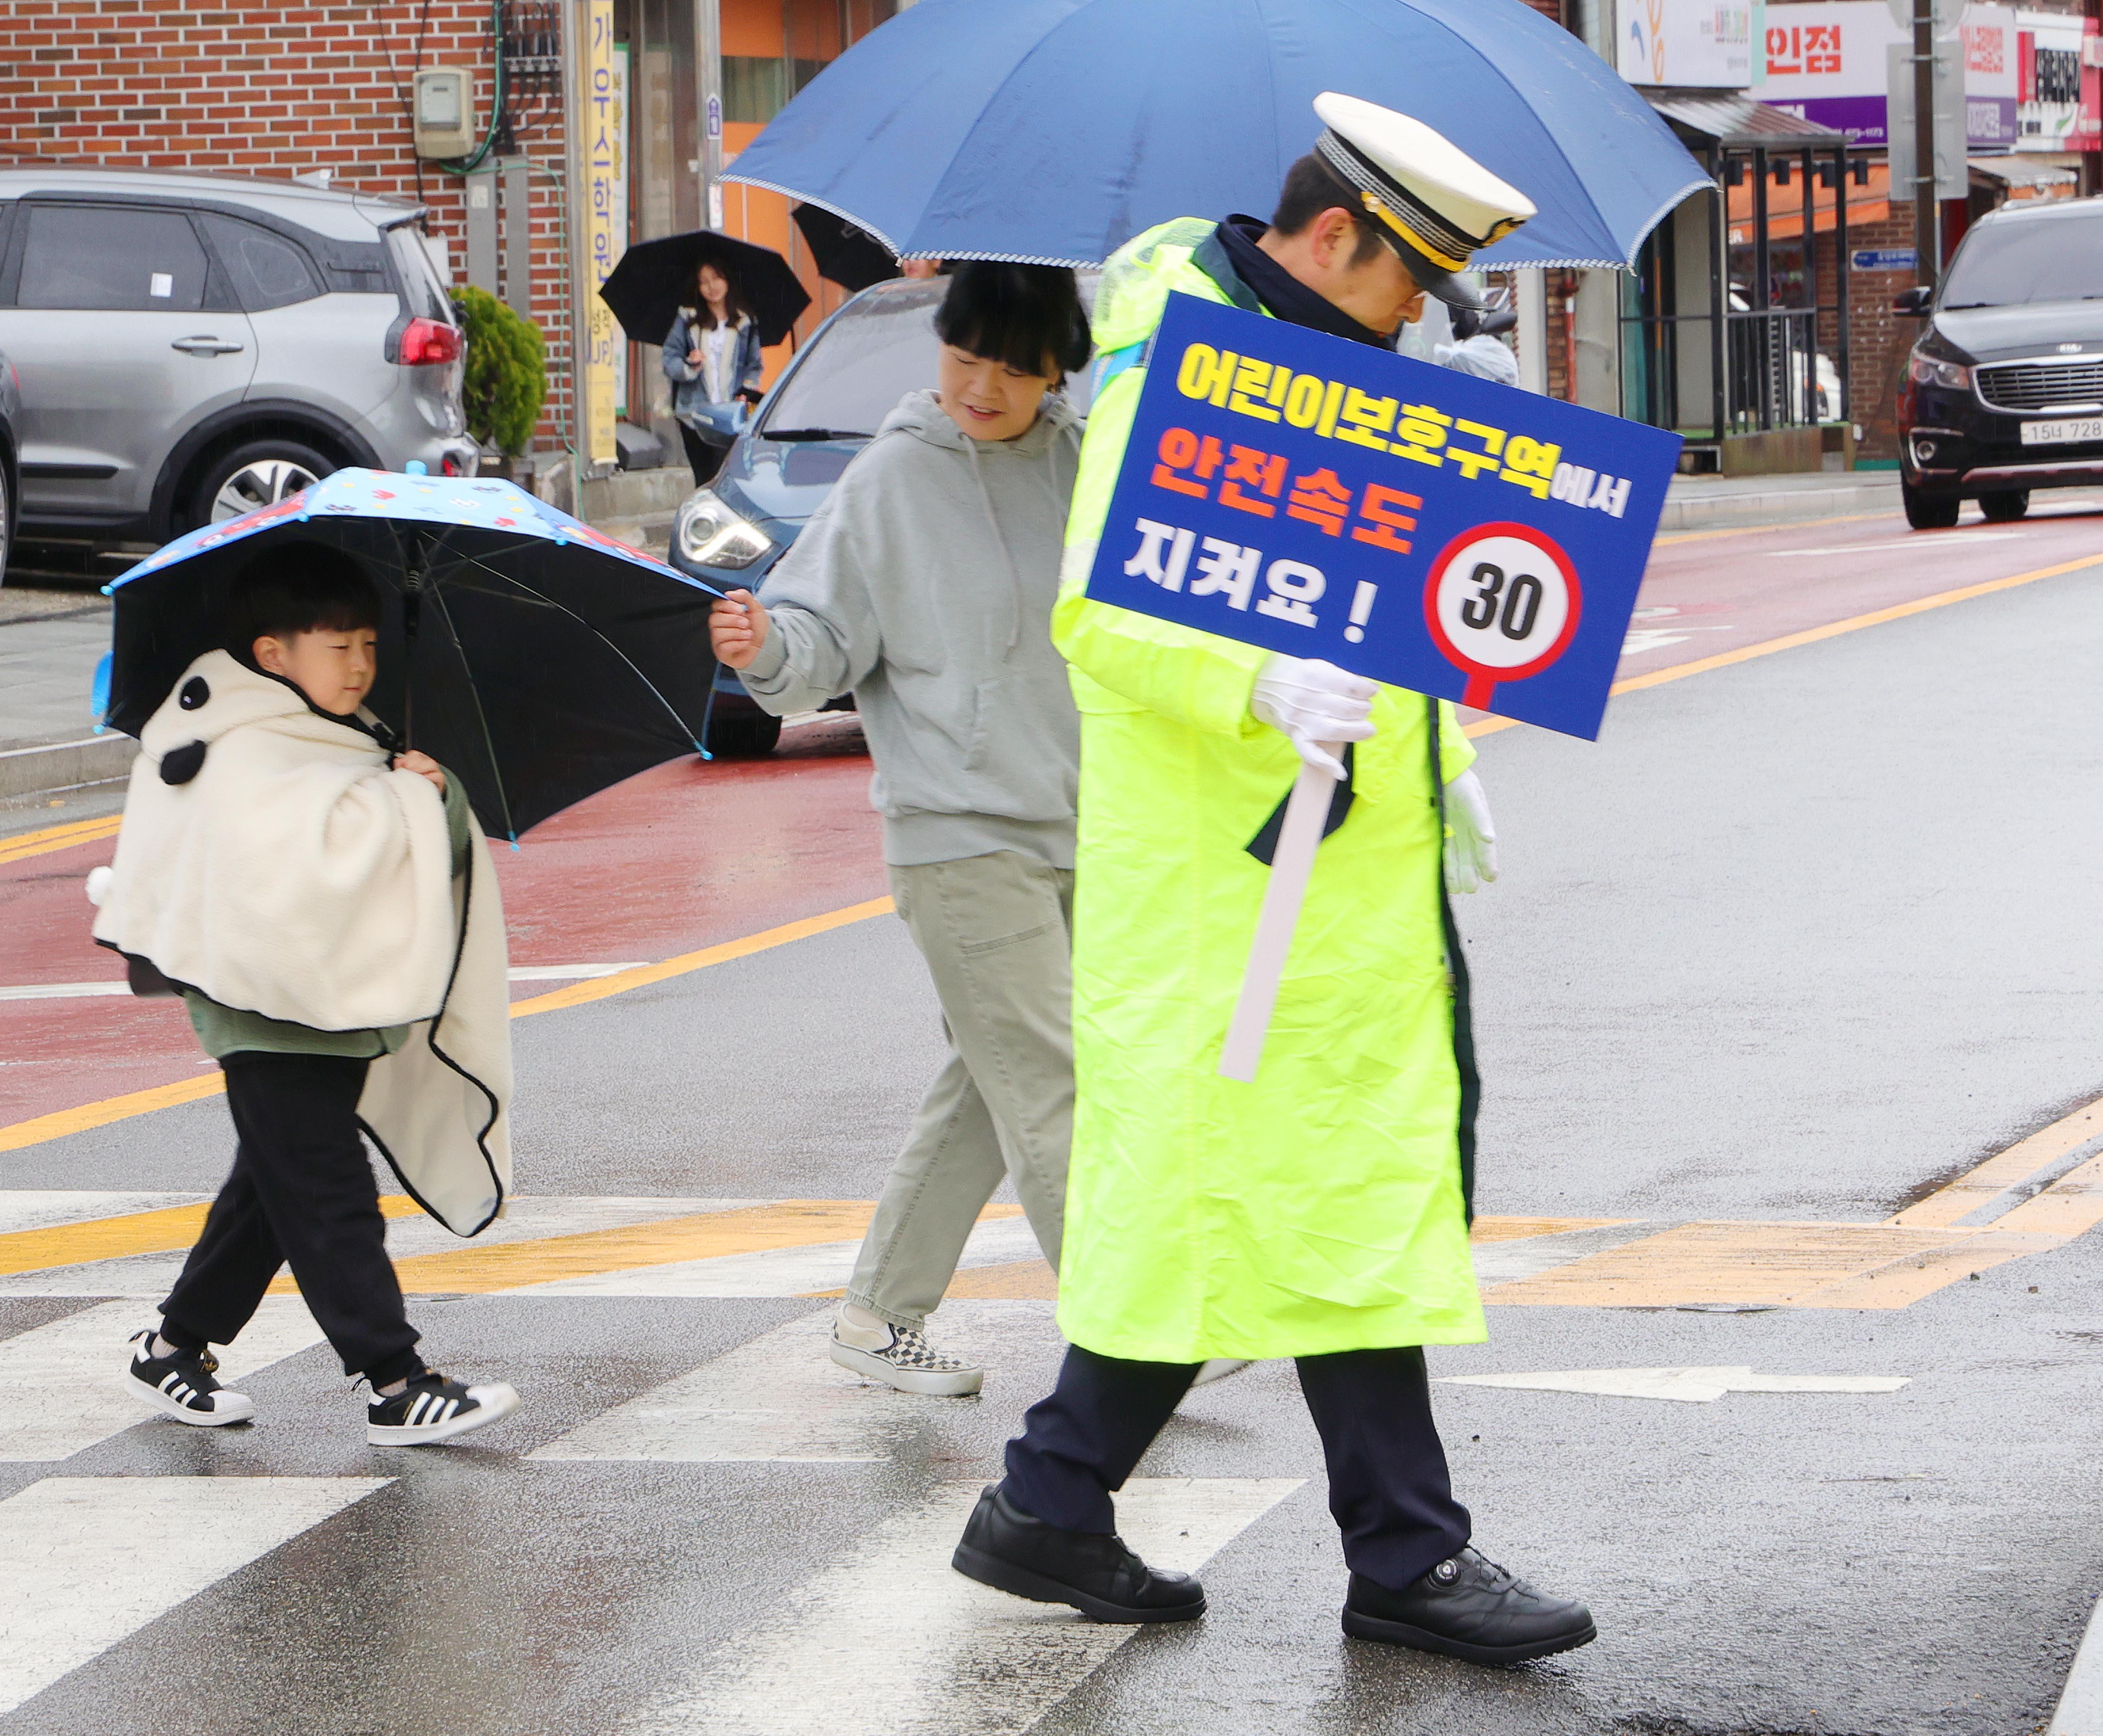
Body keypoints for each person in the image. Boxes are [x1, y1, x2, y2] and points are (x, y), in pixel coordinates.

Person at [948, 93, 1593, 1668]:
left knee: (1328, 1202)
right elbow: (1107, 617)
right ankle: (1349, 1548)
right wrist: (1259, 692)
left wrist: (1444, 755)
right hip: (1230, 891)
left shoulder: (1326, 376)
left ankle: (1096, 1507)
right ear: (1330, 240)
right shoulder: (1190, 376)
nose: (1416, 323)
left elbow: (1369, 597)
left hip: (1336, 880)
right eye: (1403, 284)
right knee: (1241, 1207)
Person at [707, 264, 1090, 1398]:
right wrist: (761, 646)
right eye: (966, 354)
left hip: (1087, 824)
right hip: (959, 834)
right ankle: (1136, 1337)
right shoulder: (892, 477)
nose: (984, 384)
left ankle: (878, 1316)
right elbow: (816, 641)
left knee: (994, 1078)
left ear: (1058, 370)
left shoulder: (1089, 464)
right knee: (1057, 1083)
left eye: (1017, 368)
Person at [89, 539, 520, 1448]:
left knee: (274, 1184)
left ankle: (171, 1345)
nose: (362, 664)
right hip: (257, 996)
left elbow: (379, 859)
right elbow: (289, 870)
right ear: (274, 651)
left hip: (319, 996)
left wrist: (424, 795)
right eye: (339, 645)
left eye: (369, 643)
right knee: (327, 1188)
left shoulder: (341, 734)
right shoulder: (238, 739)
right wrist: (402, 802)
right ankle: (394, 1378)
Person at [661, 259, 763, 485]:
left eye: (717, 278)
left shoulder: (746, 322)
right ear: (698, 288)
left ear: (727, 281)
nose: (712, 287)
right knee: (705, 478)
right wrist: (690, 364)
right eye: (704, 282)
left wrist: (747, 388)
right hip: (695, 416)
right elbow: (669, 360)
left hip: (732, 414)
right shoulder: (687, 320)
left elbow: (755, 365)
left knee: (730, 477)